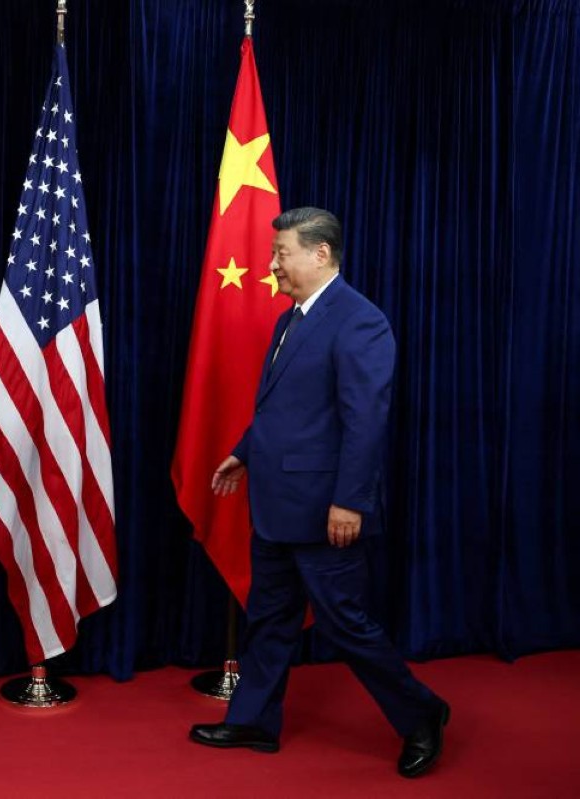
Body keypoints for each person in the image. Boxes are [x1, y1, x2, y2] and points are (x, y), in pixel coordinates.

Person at [189, 208, 449, 778]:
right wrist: (244, 451)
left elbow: (365, 421)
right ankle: (254, 720)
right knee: (269, 617)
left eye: (281, 253)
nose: (272, 265)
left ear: (320, 253)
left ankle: (422, 714)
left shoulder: (360, 321)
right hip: (277, 505)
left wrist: (350, 501)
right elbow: (283, 409)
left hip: (325, 508)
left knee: (344, 622)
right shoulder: (290, 319)